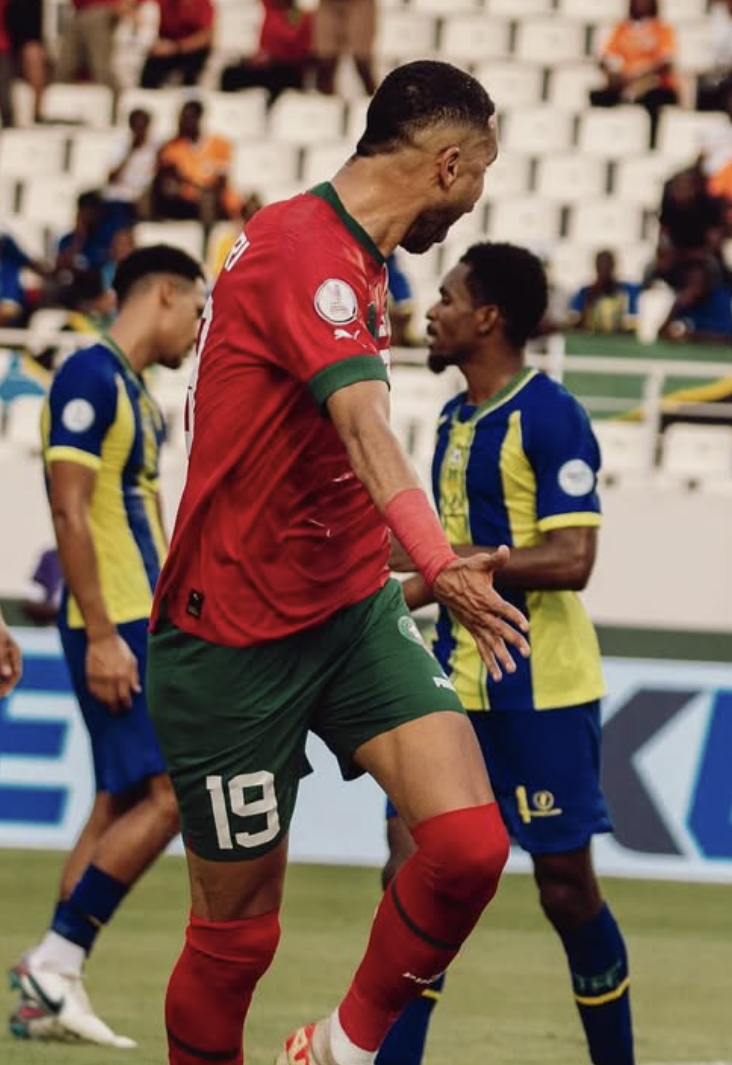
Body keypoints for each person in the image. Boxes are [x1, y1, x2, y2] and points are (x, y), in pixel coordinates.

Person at [142, 60, 530, 1065]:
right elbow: (364, 430)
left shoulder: (363, 261)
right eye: (479, 173)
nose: (478, 195)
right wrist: (440, 560)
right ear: (447, 162)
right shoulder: (303, 253)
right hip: (230, 631)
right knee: (235, 943)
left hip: (347, 607)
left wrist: (398, 571)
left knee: (470, 847)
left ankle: (342, 1050)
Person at [375, 241, 633, 1065]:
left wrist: (467, 562)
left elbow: (573, 558)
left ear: (488, 317)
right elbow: (436, 558)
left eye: (447, 297)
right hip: (449, 683)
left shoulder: (549, 414)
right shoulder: (453, 417)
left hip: (539, 689)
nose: (431, 311)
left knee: (566, 890)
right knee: (412, 874)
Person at [8, 245, 206, 1049]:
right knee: (172, 797)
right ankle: (56, 958)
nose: (199, 326)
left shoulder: (132, 391)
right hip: (113, 620)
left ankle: (48, 991)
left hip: (135, 616)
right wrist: (100, 633)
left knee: (119, 799)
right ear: (161, 294)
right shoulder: (89, 375)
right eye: (195, 307)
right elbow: (69, 510)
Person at [590, 0, 680, 134]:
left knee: (654, 99)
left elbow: (665, 62)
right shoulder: (621, 29)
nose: (641, 4)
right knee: (599, 96)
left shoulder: (661, 29)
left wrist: (641, 72)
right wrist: (617, 74)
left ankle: (651, 139)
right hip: (624, 82)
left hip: (653, 84)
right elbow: (606, 58)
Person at [152, 99, 242, 225]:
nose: (184, 122)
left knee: (215, 199)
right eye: (182, 118)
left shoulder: (220, 144)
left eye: (189, 117)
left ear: (199, 118)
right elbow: (168, 178)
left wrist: (207, 191)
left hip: (214, 196)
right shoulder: (171, 147)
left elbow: (222, 178)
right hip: (184, 199)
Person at [219, 0, 312, 98]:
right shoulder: (270, 7)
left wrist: (272, 57)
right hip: (266, 66)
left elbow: (299, 51)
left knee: (278, 77)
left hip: (287, 69)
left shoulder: (299, 15)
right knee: (230, 73)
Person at [139, 0, 214, 88]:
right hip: (165, 48)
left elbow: (206, 36)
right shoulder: (165, 2)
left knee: (191, 72)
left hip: (190, 51)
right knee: (149, 74)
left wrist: (176, 47)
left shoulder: (202, 3)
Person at [569, 248, 642, 334]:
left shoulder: (628, 290)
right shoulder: (585, 292)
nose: (604, 270)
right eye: (601, 267)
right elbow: (574, 325)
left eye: (607, 266)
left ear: (613, 266)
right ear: (596, 267)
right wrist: (590, 300)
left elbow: (633, 323)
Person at [313, 0, 376, 95]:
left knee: (362, 62)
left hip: (360, 4)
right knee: (326, 62)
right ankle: (326, 104)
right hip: (328, 5)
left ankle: (379, 104)